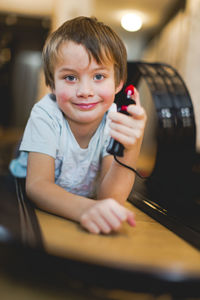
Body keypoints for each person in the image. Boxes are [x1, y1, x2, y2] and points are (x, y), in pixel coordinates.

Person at [10, 16, 146, 234]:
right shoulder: (46, 112)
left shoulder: (114, 120)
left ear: (119, 83)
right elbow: (37, 186)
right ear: (52, 84)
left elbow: (109, 199)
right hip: (19, 181)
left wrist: (130, 148)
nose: (85, 91)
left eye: (99, 76)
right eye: (71, 78)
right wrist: (86, 209)